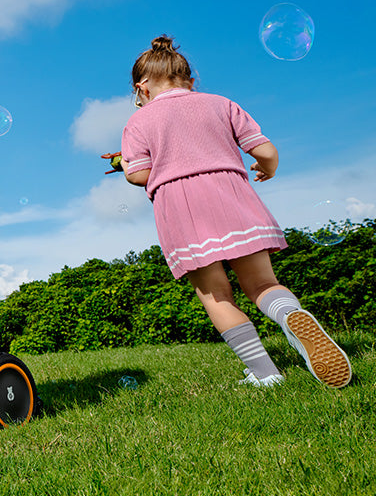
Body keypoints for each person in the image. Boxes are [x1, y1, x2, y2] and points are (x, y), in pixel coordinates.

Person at [121, 35, 351, 389]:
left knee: (215, 294)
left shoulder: (139, 121)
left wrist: (132, 162)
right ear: (190, 81)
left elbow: (138, 173)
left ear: (142, 88)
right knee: (262, 283)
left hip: (181, 206)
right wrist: (267, 168)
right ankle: (291, 315)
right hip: (233, 194)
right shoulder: (221, 103)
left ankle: (266, 373)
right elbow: (266, 151)